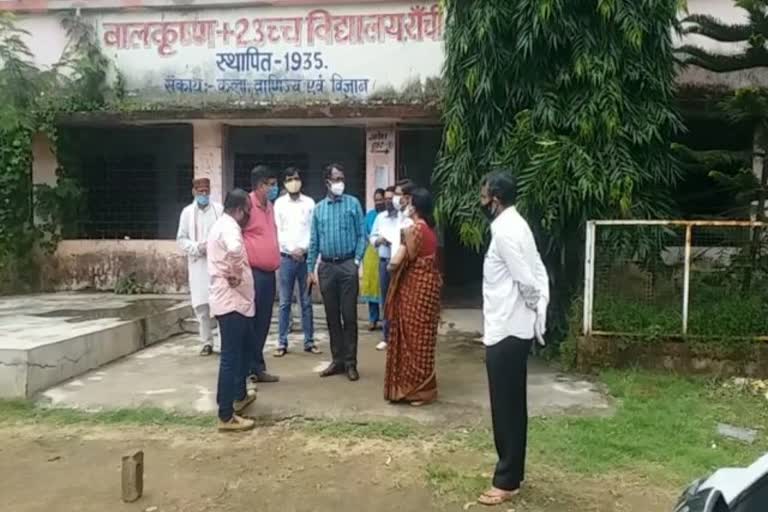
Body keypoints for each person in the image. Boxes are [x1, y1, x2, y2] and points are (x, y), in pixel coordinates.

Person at [477, 171, 549, 506]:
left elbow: (527, 278)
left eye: (484, 192)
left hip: (507, 328)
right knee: (513, 406)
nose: (481, 198)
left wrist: (532, 308)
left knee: (505, 407)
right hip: (513, 327)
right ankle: (512, 475)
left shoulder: (504, 229)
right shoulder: (517, 223)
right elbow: (535, 271)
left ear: (496, 197)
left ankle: (505, 481)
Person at [383, 187, 442, 405]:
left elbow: (394, 263)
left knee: (412, 340)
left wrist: (395, 256)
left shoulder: (413, 230)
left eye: (408, 202)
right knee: (424, 338)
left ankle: (414, 390)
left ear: (414, 206)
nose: (405, 205)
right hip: (429, 291)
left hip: (415, 291)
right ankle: (425, 388)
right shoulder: (430, 229)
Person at [307, 163, 366, 382]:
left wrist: (357, 260)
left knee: (349, 316)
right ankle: (337, 360)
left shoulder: (353, 204)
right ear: (327, 183)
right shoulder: (319, 209)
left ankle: (351, 363)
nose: (340, 182)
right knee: (331, 316)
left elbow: (362, 234)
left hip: (348, 264)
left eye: (342, 178)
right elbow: (314, 241)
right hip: (327, 268)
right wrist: (310, 269)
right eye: (336, 179)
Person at [207, 189, 257, 432]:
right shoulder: (229, 227)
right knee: (230, 357)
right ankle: (226, 415)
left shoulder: (222, 224)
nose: (249, 214)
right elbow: (235, 250)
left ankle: (240, 395)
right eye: (248, 209)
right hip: (231, 302)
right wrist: (236, 273)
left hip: (237, 302)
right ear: (239, 210)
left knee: (245, 350)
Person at [273, 167, 319, 356]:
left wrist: (303, 249)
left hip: (305, 259)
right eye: (290, 179)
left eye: (297, 178)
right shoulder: (279, 204)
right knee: (284, 302)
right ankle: (282, 342)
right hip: (286, 259)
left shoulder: (309, 203)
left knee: (306, 302)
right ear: (285, 183)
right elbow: (278, 231)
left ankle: (309, 341)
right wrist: (291, 250)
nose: (294, 182)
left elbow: (313, 231)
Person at [243, 165, 281, 384]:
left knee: (264, 322)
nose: (274, 188)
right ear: (259, 186)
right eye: (271, 184)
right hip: (253, 273)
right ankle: (249, 367)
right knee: (252, 322)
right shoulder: (247, 205)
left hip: (269, 274)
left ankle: (257, 367)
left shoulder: (270, 206)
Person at [176, 177, 223, 356]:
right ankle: (206, 342)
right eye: (200, 191)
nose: (204, 194)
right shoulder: (187, 212)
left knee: (220, 305)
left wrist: (213, 247)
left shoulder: (219, 210)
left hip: (217, 264)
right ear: (194, 192)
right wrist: (196, 247)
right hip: (198, 265)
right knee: (202, 307)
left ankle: (223, 342)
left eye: (206, 191)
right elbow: (181, 238)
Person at [369, 186, 401, 351]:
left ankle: (400, 337)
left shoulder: (403, 217)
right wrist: (380, 240)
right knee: (386, 300)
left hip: (400, 264)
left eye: (391, 198)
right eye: (386, 198)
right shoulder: (380, 218)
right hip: (384, 261)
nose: (388, 201)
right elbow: (372, 237)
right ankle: (386, 336)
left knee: (400, 300)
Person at [361, 188, 386, 331]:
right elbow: (365, 234)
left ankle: (386, 320)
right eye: (376, 200)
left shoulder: (389, 216)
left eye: (380, 199)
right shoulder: (369, 216)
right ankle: (373, 319)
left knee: (384, 288)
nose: (378, 202)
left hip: (384, 254)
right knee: (371, 287)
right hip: (370, 254)